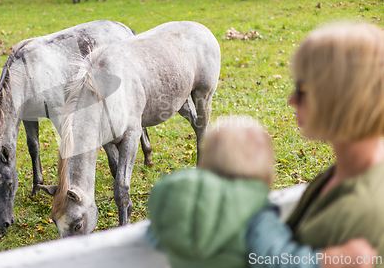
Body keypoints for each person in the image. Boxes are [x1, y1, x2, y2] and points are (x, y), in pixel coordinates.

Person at [147, 116, 375, 268]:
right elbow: (279, 258)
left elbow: (155, 237)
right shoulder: (253, 212)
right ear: (264, 169)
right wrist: (334, 260)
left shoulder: (169, 199)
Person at [248, 22, 384, 268]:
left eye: (301, 89)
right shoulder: (352, 168)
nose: (291, 100)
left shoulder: (358, 212)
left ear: (340, 95)